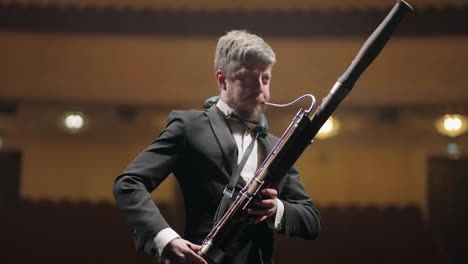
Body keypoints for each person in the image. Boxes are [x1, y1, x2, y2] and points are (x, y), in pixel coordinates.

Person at [113, 30, 321, 264]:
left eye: (266, 78)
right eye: (249, 78)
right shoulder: (189, 126)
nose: (261, 89)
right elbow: (129, 183)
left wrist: (276, 209)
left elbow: (311, 220)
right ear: (222, 79)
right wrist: (165, 238)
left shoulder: (276, 145)